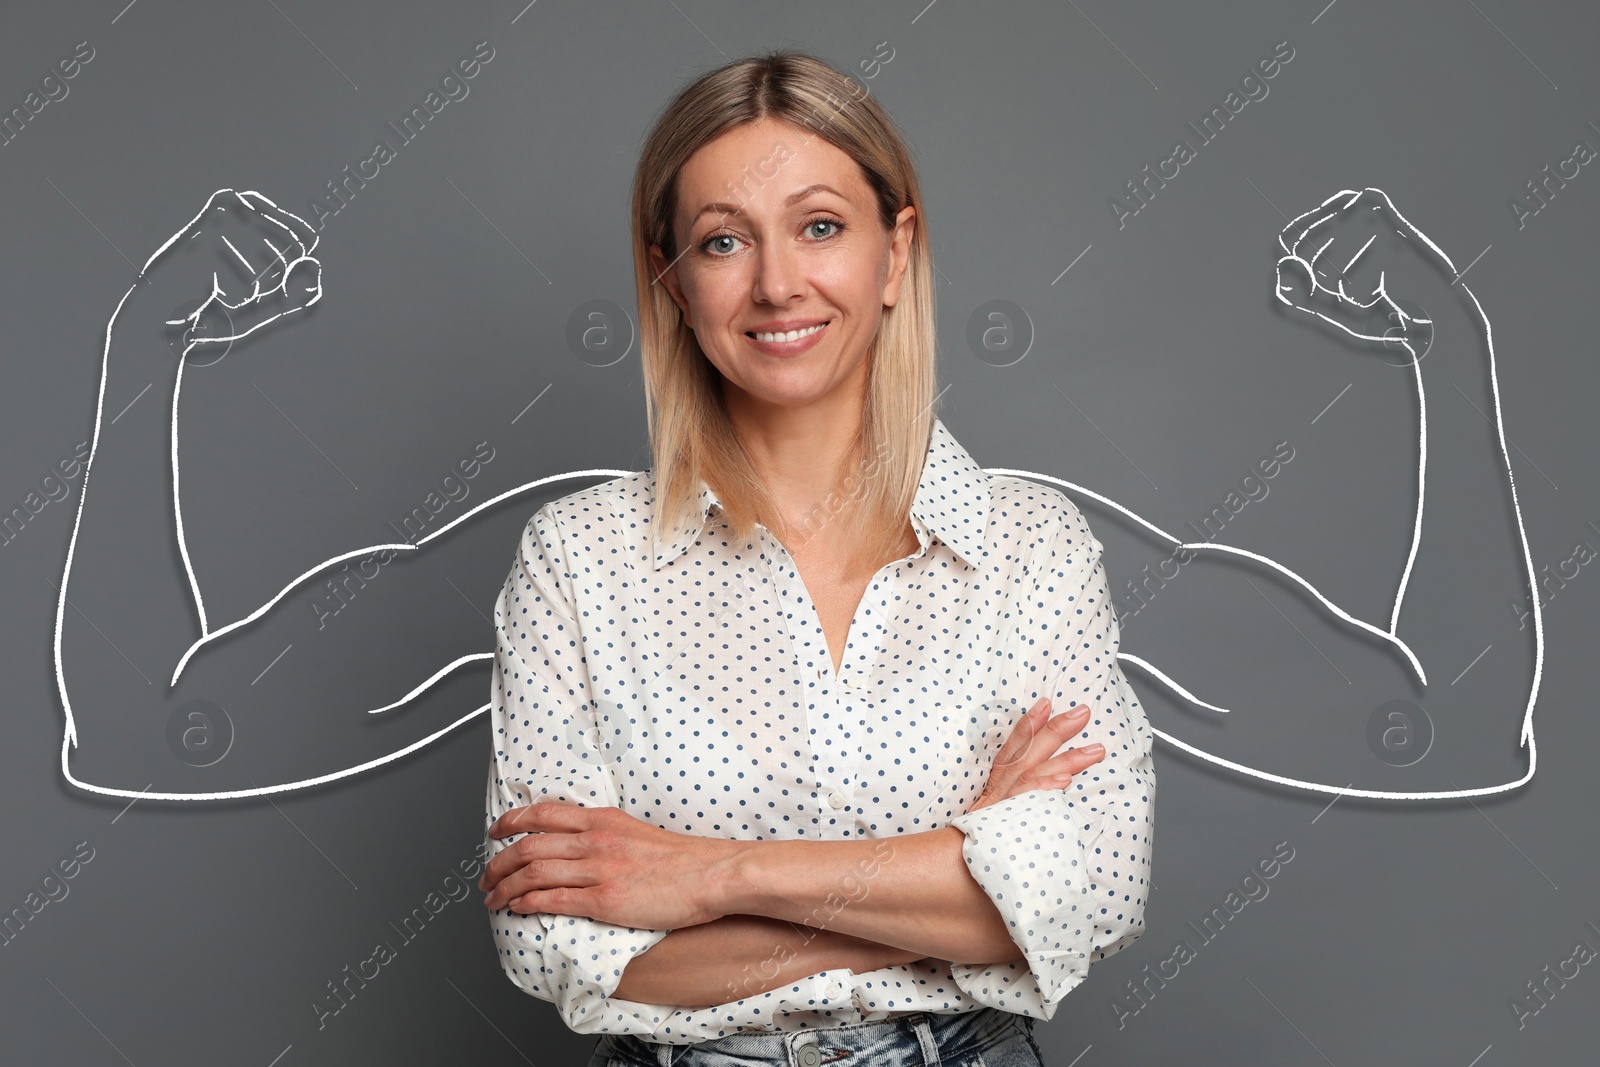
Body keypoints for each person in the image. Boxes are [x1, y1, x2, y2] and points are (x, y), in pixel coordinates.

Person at [478, 50, 1155, 1066]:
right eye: (722, 241)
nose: (777, 282)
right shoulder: (578, 557)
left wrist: (711, 876)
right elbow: (560, 946)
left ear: (894, 252)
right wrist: (958, 884)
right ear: (671, 279)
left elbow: (1092, 889)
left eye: (821, 226)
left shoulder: (1030, 545)